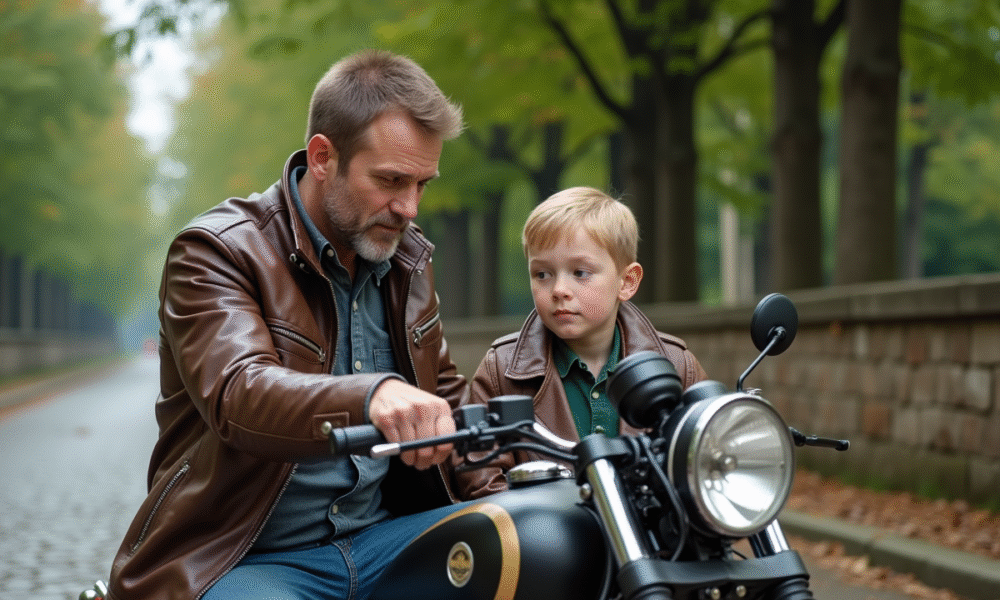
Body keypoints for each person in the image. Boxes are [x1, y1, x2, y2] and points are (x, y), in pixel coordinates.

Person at [107, 50, 470, 600]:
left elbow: (446, 399)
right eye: (392, 180)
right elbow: (241, 393)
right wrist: (372, 394)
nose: (409, 207)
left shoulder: (407, 262)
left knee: (547, 535)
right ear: (323, 156)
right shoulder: (217, 252)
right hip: (243, 558)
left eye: (423, 184)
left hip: (386, 539)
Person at [454, 186, 708, 500]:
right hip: (547, 546)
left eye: (580, 272)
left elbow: (707, 466)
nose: (559, 289)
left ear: (626, 282)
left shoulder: (676, 364)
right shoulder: (502, 370)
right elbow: (482, 482)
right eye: (543, 274)